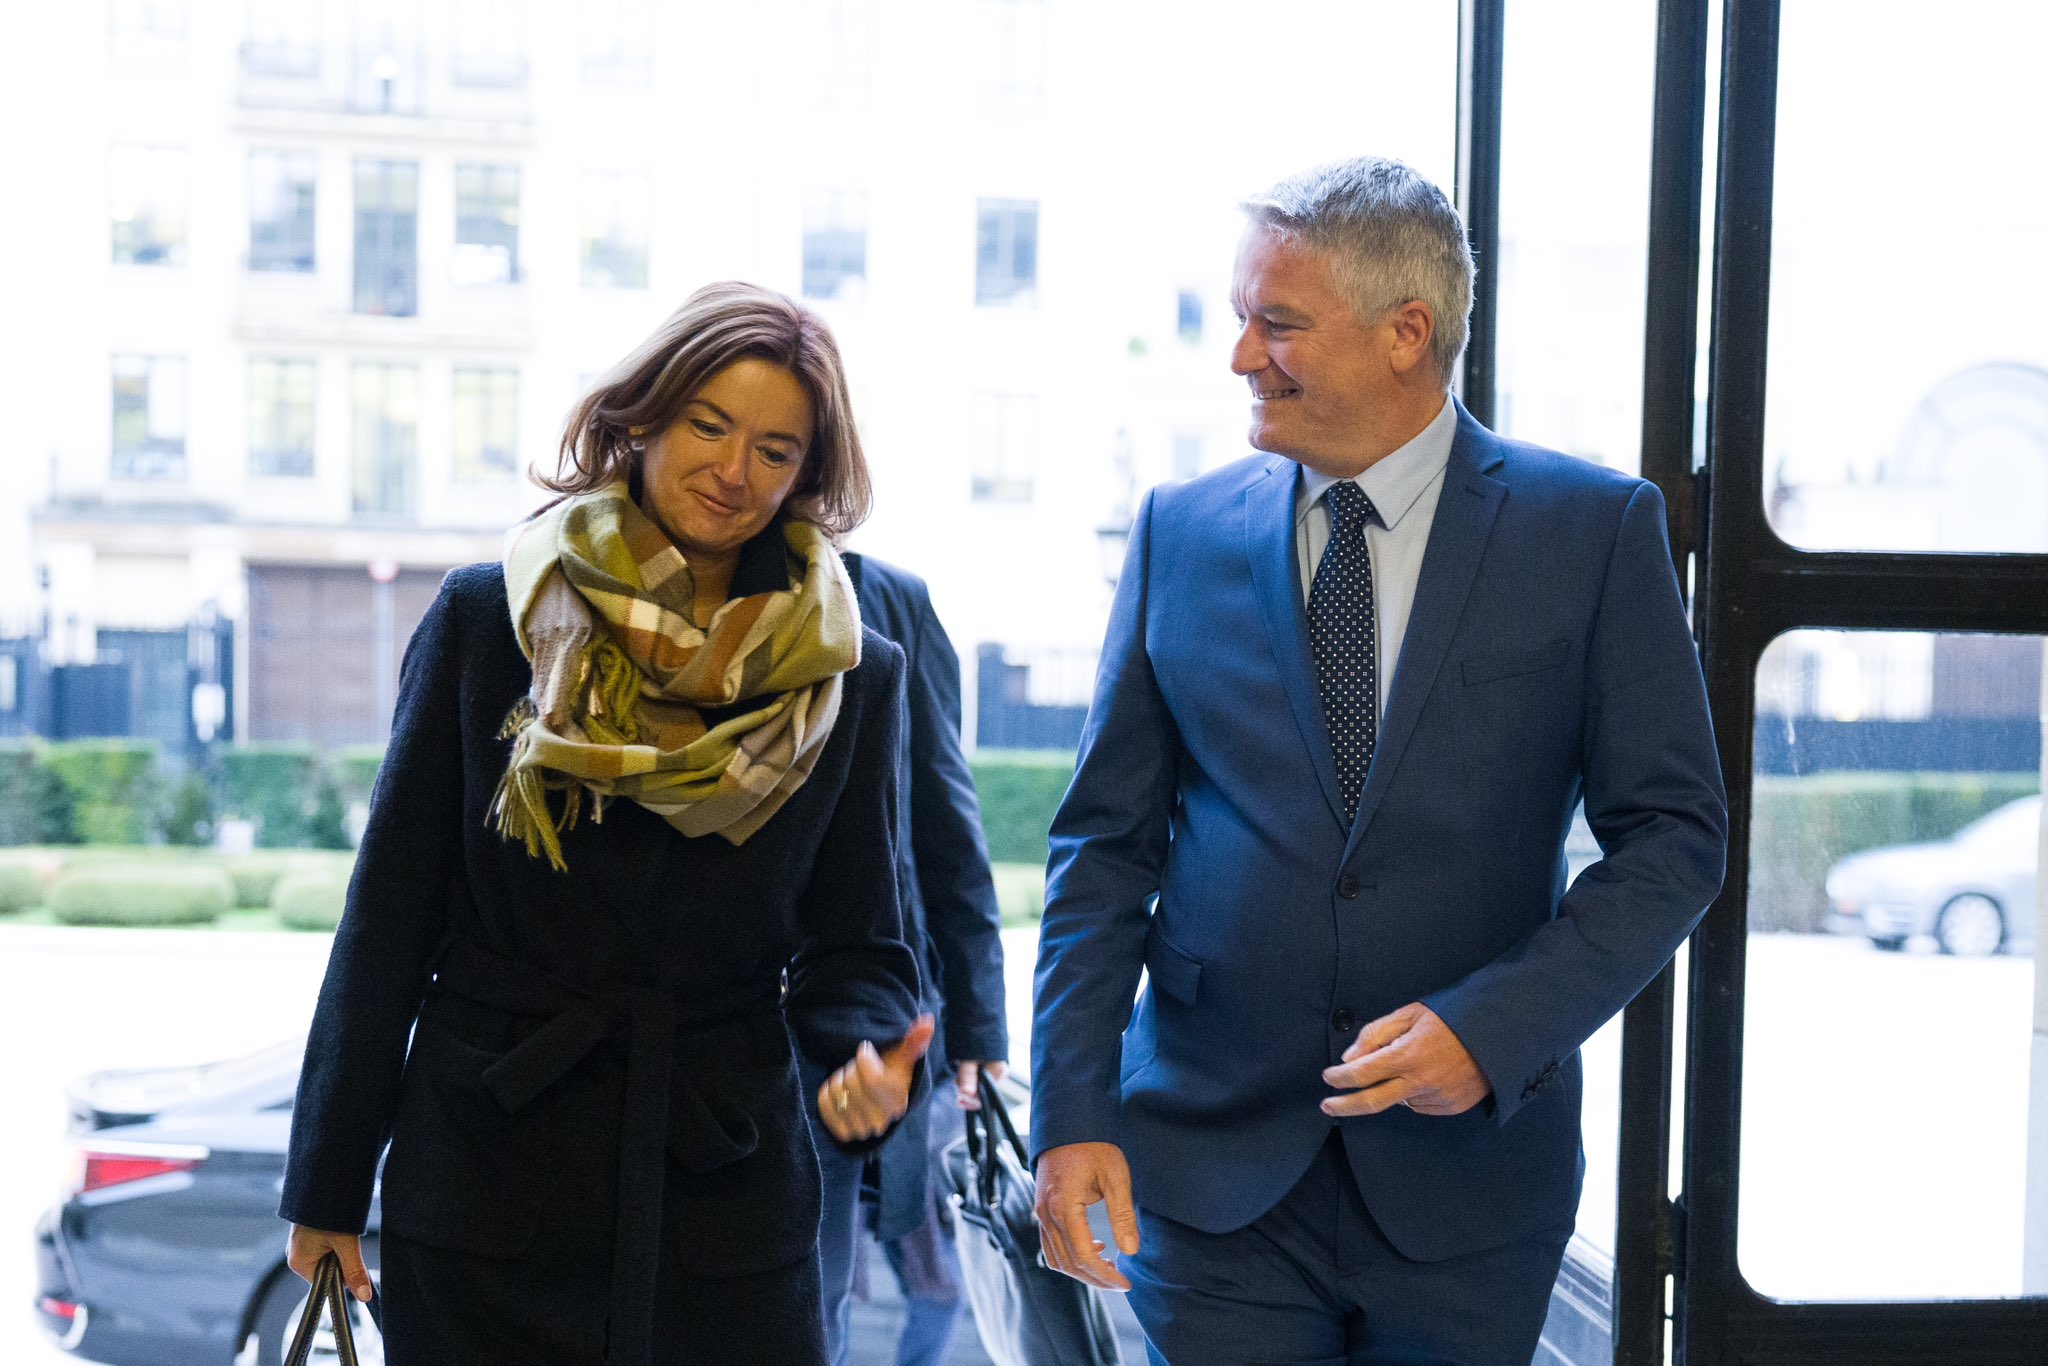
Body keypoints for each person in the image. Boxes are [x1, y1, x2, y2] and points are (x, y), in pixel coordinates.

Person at [1028, 157, 1728, 1365]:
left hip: (1470, 1189)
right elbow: (1104, 846)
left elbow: (1674, 839)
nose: (1240, 356)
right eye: (1241, 318)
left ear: (1406, 332)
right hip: (1207, 1169)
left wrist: (1492, 1029)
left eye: (1277, 323)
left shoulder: (1590, 532)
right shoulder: (1176, 532)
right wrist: (1068, 1110)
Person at [278, 281, 933, 1366]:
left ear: (807, 475)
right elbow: (387, 921)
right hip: (489, 1175)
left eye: (774, 449)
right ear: (644, 418)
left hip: (724, 1188)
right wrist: (328, 1186)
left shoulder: (851, 677)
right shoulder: (489, 620)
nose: (734, 470)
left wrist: (864, 1054)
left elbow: (859, 941)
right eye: (709, 426)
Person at [804, 552, 1009, 1365]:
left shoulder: (892, 600)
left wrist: (980, 1022)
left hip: (870, 1002)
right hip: (728, 1005)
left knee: (837, 1288)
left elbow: (946, 816)